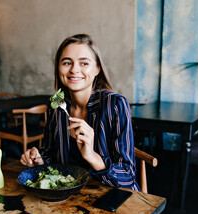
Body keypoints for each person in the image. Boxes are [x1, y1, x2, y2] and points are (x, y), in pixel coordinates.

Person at [20, 33, 140, 191]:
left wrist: (91, 156)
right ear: (58, 67)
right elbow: (50, 153)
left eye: (84, 63)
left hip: (111, 198)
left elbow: (127, 176)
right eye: (67, 62)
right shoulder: (57, 106)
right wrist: (39, 159)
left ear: (97, 69)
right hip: (70, 199)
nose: (74, 69)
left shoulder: (115, 105)